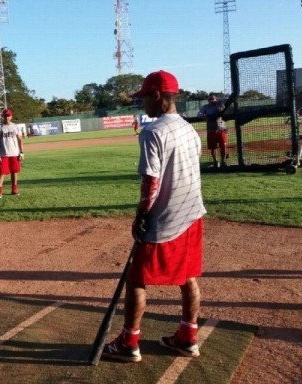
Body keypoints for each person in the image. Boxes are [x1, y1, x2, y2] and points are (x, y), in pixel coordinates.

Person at [101, 70, 207, 362]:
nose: (142, 104)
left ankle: (128, 343)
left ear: (157, 96)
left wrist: (141, 215)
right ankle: (187, 337)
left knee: (136, 280)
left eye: (144, 98)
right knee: (187, 276)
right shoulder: (189, 130)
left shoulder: (152, 131)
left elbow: (151, 181)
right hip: (193, 214)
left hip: (166, 218)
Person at [0, 108, 24, 198]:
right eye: (5, 115)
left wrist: (21, 152)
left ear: (11, 116)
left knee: (14, 172)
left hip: (15, 153)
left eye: (8, 115)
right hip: (3, 154)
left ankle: (14, 190)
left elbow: (20, 140)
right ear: (3, 116)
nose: (7, 117)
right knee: (2, 173)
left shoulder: (15, 126)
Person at [198, 93, 227, 168]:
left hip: (221, 129)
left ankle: (223, 161)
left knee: (223, 147)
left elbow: (226, 100)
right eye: (209, 99)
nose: (210, 100)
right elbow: (199, 114)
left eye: (212, 98)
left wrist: (219, 102)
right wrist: (203, 116)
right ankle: (215, 162)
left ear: (216, 99)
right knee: (212, 148)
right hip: (211, 130)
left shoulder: (219, 104)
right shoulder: (206, 107)